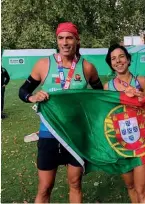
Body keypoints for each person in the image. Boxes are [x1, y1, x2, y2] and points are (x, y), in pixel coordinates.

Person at [19, 22, 103, 203]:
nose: (65, 42)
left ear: (77, 40)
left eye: (69, 37)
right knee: (44, 188)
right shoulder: (43, 64)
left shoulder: (87, 67)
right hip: (49, 135)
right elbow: (23, 91)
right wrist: (32, 98)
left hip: (76, 136)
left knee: (75, 184)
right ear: (57, 41)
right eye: (61, 38)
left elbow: (100, 95)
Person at [104, 44, 145, 203]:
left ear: (129, 59)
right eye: (113, 59)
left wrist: (141, 99)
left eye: (121, 56)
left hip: (141, 140)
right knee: (130, 186)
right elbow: (107, 116)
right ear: (110, 64)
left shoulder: (142, 81)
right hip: (120, 142)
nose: (118, 61)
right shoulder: (108, 87)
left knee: (141, 188)